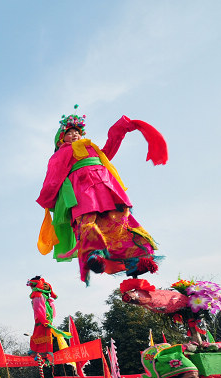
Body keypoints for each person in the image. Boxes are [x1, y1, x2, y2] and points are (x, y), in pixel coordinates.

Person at [37, 109, 165, 284]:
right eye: (69, 133)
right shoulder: (61, 154)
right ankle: (94, 255)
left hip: (106, 186)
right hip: (82, 191)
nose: (74, 135)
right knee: (87, 221)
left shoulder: (93, 147)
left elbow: (109, 151)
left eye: (77, 132)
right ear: (61, 139)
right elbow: (53, 178)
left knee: (119, 221)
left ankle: (135, 260)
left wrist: (122, 128)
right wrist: (48, 199)